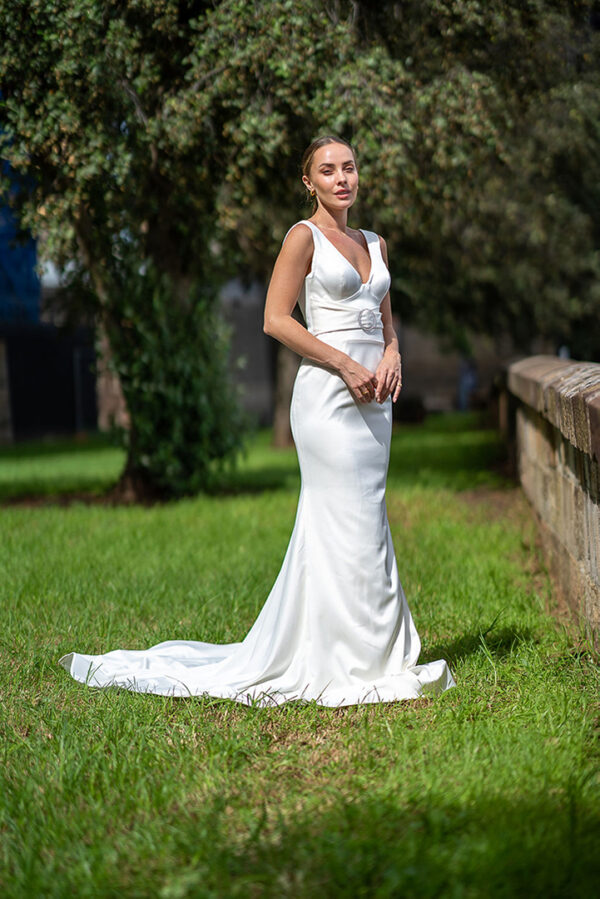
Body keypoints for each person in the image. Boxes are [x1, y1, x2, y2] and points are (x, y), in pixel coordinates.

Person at [60, 136, 455, 705]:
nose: (341, 178)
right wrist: (344, 362)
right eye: (328, 170)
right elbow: (275, 319)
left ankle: (371, 652)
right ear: (309, 181)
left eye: (349, 167)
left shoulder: (376, 242)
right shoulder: (303, 237)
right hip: (327, 397)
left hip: (376, 402)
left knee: (366, 517)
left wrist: (394, 354)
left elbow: (386, 322)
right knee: (341, 516)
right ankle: (340, 659)